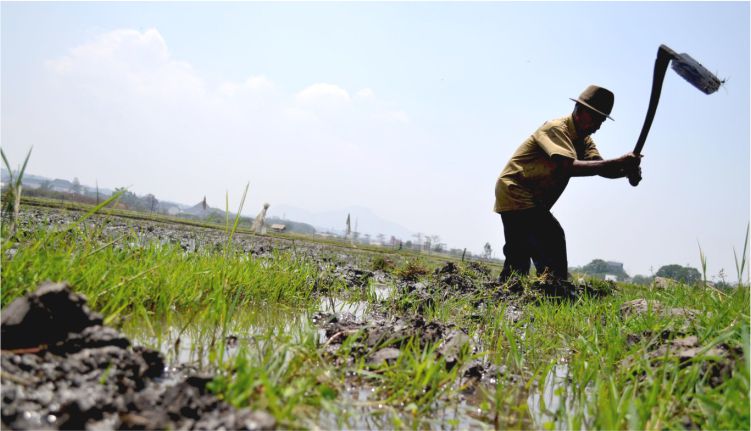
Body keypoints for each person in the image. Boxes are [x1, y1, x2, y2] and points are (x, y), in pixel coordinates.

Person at [494, 85, 641, 282]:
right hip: (516, 189)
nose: (599, 124)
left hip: (532, 198)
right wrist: (619, 163)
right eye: (596, 118)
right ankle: (556, 289)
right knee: (551, 237)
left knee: (519, 254)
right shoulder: (556, 128)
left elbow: (599, 167)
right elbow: (566, 166)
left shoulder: (584, 140)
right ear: (580, 111)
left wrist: (627, 171)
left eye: (602, 120)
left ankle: (514, 291)